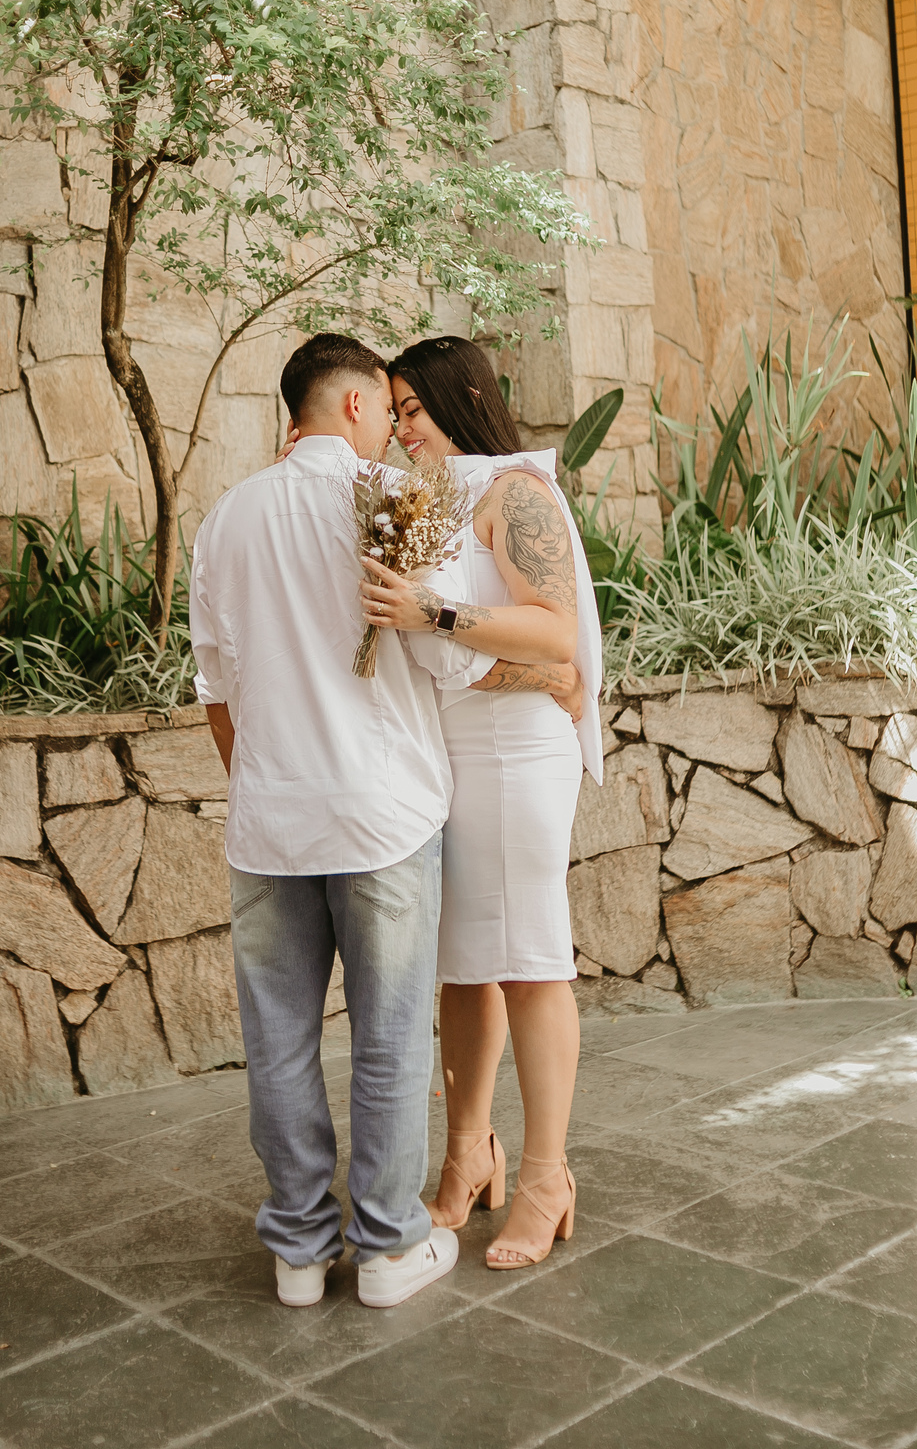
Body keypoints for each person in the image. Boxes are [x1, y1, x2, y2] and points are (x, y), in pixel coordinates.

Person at [190, 332, 471, 1310]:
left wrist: (263, 783)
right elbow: (448, 659)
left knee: (279, 1040)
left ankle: (300, 1250)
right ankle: (389, 1248)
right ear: (354, 404)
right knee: (389, 1035)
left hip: (270, 822)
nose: (393, 428)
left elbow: (216, 687)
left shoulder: (226, 517)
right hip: (382, 814)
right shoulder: (395, 501)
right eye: (387, 409)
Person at [359, 335, 603, 1270]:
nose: (402, 429)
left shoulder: (515, 492)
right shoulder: (422, 501)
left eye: (413, 409)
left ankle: (546, 1177)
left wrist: (435, 615)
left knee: (531, 961)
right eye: (394, 413)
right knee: (461, 967)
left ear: (461, 400)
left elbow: (556, 636)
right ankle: (470, 1154)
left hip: (518, 751)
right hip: (446, 750)